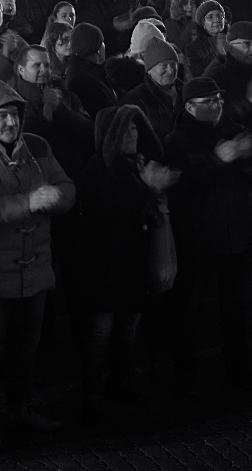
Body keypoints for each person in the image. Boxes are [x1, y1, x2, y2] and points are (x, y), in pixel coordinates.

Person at [0, 78, 75, 451]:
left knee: (26, 346)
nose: (10, 123)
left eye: (14, 116)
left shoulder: (37, 147)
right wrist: (29, 203)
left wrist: (56, 198)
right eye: (2, 116)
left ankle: (22, 406)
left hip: (33, 267)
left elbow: (65, 187)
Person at [162, 75, 252, 394]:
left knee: (236, 308)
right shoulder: (176, 141)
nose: (217, 107)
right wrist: (218, 161)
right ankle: (186, 372)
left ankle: (238, 365)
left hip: (238, 235)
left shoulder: (236, 131)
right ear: (190, 107)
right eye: (209, 103)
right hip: (198, 239)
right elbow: (181, 186)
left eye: (219, 101)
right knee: (189, 310)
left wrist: (248, 162)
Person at [77, 105, 176, 424]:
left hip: (132, 262)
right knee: (101, 332)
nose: (133, 134)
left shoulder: (138, 164)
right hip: (105, 264)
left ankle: (120, 382)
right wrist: (147, 191)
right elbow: (112, 211)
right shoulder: (96, 169)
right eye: (126, 130)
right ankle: (92, 394)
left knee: (128, 328)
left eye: (136, 129)